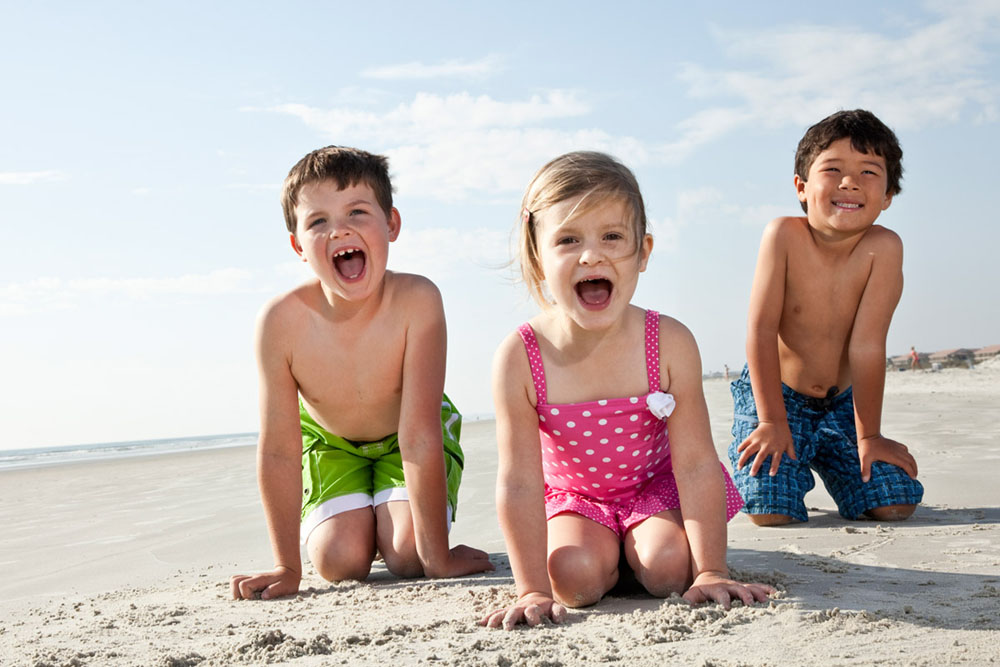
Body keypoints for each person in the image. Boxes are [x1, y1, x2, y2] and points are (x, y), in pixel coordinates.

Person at [482, 151, 773, 630]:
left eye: (612, 237)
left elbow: (696, 463)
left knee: (668, 570)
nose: (591, 255)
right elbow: (519, 482)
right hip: (576, 499)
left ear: (643, 252)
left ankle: (641, 553)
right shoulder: (520, 356)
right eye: (568, 239)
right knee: (573, 580)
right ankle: (607, 556)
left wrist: (711, 570)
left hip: (655, 491)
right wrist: (531, 588)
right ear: (538, 257)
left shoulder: (669, 342)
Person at [231, 146, 493, 600]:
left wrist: (438, 556)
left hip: (407, 437)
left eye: (357, 211)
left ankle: (396, 525)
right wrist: (285, 565)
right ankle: (361, 521)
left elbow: (419, 434)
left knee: (409, 556)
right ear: (297, 245)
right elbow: (278, 449)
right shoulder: (280, 322)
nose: (340, 229)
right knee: (340, 562)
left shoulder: (418, 301)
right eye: (317, 221)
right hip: (331, 444)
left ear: (391, 224)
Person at [730, 110, 924, 527]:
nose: (849, 182)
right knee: (771, 512)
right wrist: (771, 421)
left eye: (869, 172)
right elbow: (761, 330)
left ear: (889, 195)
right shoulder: (783, 235)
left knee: (894, 504)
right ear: (801, 187)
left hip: (842, 406)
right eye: (832, 169)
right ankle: (784, 456)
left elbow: (867, 345)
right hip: (778, 397)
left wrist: (869, 436)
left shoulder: (883, 249)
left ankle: (834, 458)